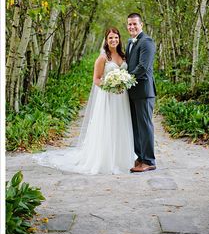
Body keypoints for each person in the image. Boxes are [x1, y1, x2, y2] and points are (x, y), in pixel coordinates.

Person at [33, 27, 135, 174]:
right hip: (107, 97)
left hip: (121, 97)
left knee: (120, 124)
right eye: (110, 38)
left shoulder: (123, 56)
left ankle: (121, 158)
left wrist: (123, 83)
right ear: (106, 41)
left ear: (119, 39)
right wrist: (111, 86)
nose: (114, 40)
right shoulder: (102, 58)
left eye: (116, 37)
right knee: (107, 125)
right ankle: (105, 160)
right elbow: (96, 79)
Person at [125, 13, 157, 173]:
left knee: (145, 126)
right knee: (136, 128)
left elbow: (143, 67)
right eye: (129, 24)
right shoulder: (130, 43)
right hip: (132, 92)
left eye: (134, 24)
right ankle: (141, 157)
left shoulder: (147, 42)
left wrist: (125, 79)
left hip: (144, 92)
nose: (132, 27)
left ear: (141, 25)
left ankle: (149, 160)